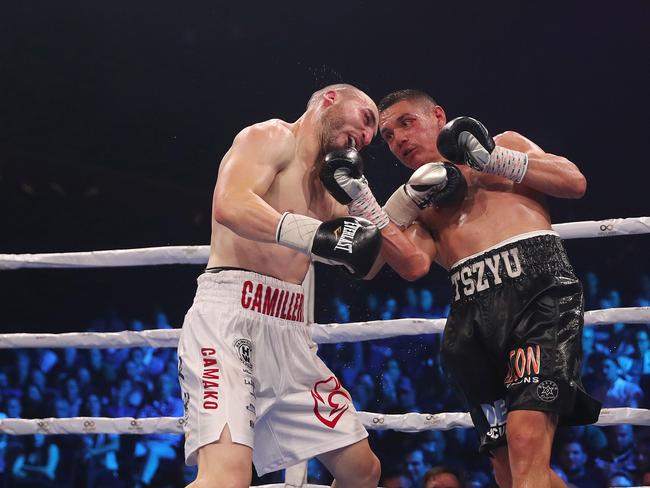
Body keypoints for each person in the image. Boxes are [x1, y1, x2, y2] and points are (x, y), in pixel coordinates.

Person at [177, 83, 435, 488]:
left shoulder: (330, 189)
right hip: (229, 324)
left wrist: (406, 200)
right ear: (331, 99)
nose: (367, 137)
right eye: (366, 120)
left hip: (290, 336)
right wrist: (313, 233)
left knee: (363, 472)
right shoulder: (270, 137)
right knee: (226, 478)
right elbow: (231, 204)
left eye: (373, 136)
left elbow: (365, 264)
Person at [376, 89, 602, 487]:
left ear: (438, 116)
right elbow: (410, 265)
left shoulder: (506, 145)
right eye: (389, 136)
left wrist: (492, 159)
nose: (399, 140)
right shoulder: (419, 203)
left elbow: (573, 181)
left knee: (526, 440)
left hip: (537, 296)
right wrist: (383, 207)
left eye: (406, 123)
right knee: (507, 467)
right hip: (470, 316)